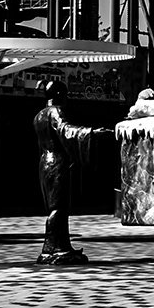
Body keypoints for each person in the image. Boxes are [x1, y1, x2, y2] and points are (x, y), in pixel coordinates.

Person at [35, 79, 102, 265]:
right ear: (58, 95)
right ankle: (60, 248)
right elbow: (66, 131)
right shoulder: (55, 112)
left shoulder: (39, 115)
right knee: (59, 207)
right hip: (57, 163)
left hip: (44, 162)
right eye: (65, 95)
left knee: (53, 207)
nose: (66, 99)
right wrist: (91, 133)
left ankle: (50, 248)